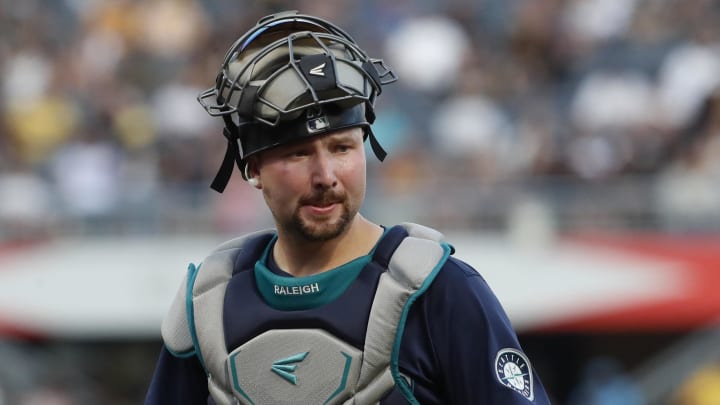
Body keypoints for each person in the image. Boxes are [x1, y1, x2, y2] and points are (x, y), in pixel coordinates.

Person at [144, 10, 551, 405]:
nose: (325, 176)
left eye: (342, 148)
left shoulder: (440, 291)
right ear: (253, 167)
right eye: (299, 154)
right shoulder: (209, 301)